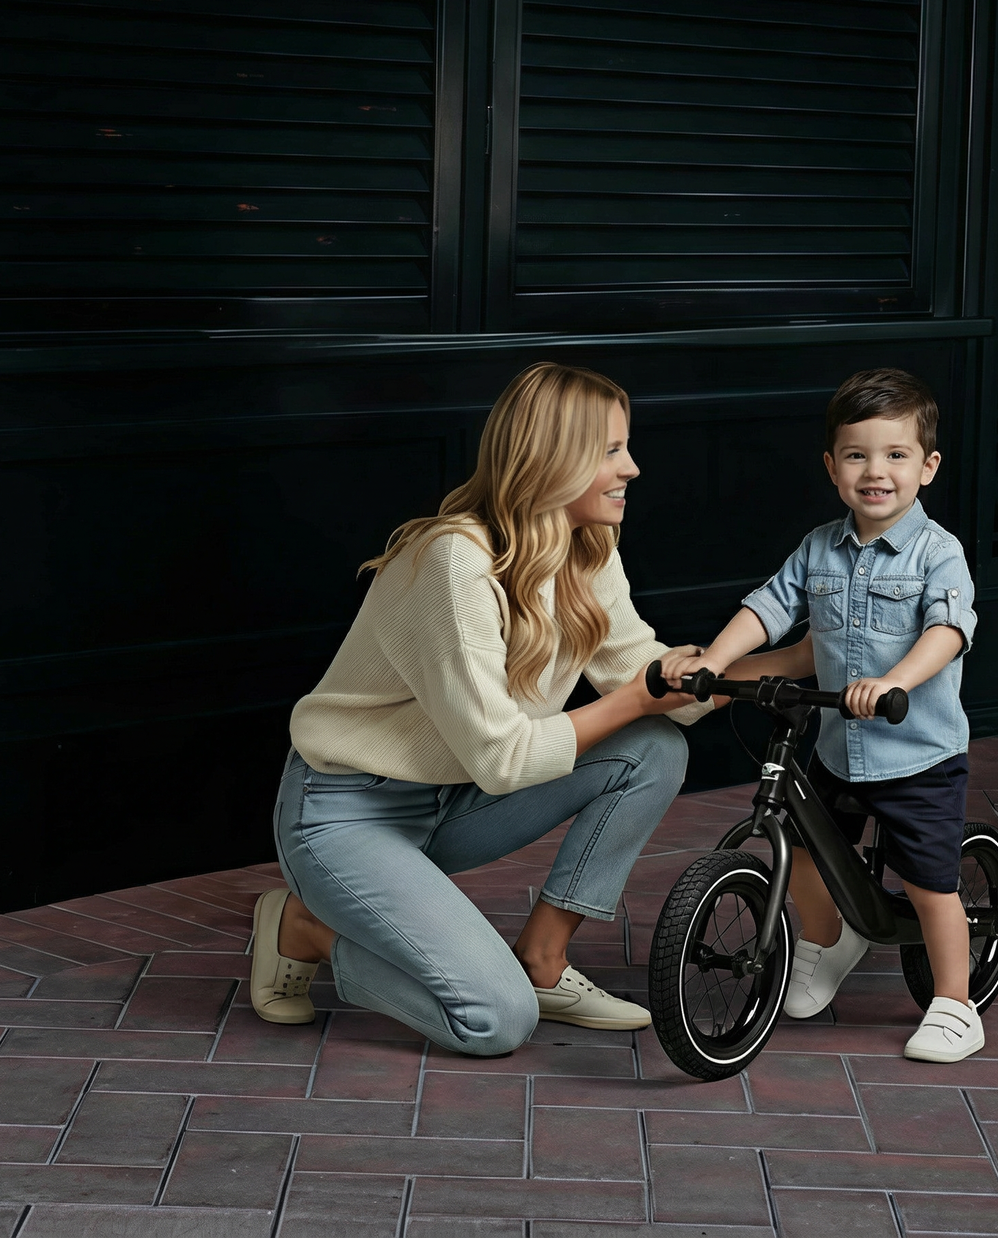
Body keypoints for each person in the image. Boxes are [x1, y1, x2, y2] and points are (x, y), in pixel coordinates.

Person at [251, 362, 711, 1056]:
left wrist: (785, 658)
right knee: (496, 1021)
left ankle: (543, 960)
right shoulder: (455, 562)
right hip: (348, 812)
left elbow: (651, 681)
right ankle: (307, 927)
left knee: (654, 746)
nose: (634, 468)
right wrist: (637, 696)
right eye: (612, 450)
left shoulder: (587, 547)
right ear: (553, 458)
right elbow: (504, 758)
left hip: (452, 802)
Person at [661, 367, 982, 1062]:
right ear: (832, 467)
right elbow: (770, 607)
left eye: (896, 455)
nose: (877, 472)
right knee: (803, 848)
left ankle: (955, 1001)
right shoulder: (818, 548)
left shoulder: (939, 553)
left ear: (927, 467)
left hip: (917, 756)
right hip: (837, 747)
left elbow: (948, 631)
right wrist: (714, 660)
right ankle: (832, 939)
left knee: (931, 884)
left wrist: (893, 679)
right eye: (858, 455)